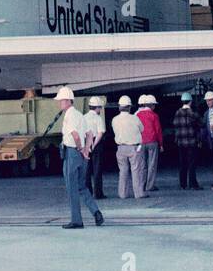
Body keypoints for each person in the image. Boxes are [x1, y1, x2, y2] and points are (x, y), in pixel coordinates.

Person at [56, 87, 103, 230]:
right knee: (82, 186)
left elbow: (75, 135)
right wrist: (86, 151)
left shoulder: (69, 116)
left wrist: (78, 148)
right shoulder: (80, 115)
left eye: (60, 101)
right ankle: (96, 212)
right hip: (82, 156)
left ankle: (76, 220)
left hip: (72, 153)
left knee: (72, 188)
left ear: (67, 101)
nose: (59, 103)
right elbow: (89, 135)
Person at [111, 95, 146, 199]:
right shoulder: (135, 118)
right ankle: (138, 193)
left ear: (119, 107)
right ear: (129, 107)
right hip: (133, 148)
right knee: (136, 171)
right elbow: (142, 129)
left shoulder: (114, 119)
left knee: (123, 171)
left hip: (120, 148)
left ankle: (122, 194)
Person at [172, 92, 202, 190]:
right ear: (190, 102)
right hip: (192, 142)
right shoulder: (193, 114)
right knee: (192, 163)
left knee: (182, 163)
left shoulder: (177, 113)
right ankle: (193, 184)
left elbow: (175, 125)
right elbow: (201, 125)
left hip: (180, 143)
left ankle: (183, 184)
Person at [137, 94, 162, 193]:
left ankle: (142, 185)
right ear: (151, 105)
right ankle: (150, 186)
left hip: (141, 142)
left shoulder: (138, 115)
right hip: (152, 142)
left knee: (142, 165)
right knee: (152, 164)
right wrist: (161, 144)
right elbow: (158, 130)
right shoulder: (154, 115)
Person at [83, 96, 107, 200]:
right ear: (96, 107)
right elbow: (100, 133)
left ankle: (88, 192)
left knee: (87, 170)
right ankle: (98, 193)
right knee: (97, 169)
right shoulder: (98, 118)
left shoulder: (83, 117)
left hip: (85, 142)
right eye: (100, 107)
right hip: (96, 143)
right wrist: (94, 144)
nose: (100, 109)